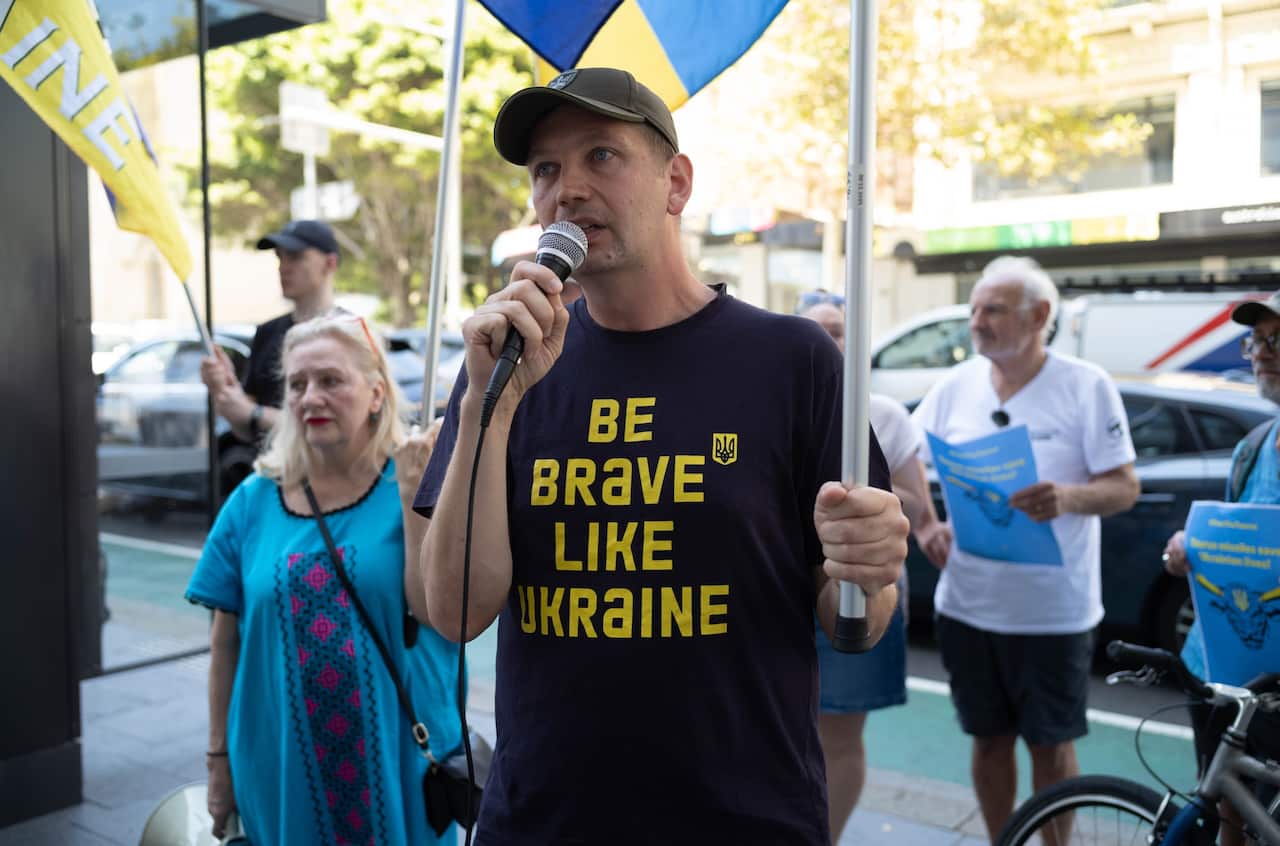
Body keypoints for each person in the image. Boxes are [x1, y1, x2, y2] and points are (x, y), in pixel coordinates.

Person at [413, 67, 909, 845]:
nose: (567, 188)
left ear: (675, 183)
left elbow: (856, 623)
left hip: (745, 822)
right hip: (544, 824)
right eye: (546, 169)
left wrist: (871, 571)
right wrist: (486, 407)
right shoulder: (505, 366)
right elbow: (456, 612)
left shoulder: (793, 360)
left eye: (602, 156)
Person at [185, 313, 462, 844]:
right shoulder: (252, 501)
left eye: (330, 380)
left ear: (376, 393)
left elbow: (440, 617)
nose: (311, 397)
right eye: (297, 384)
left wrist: (412, 499)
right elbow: (226, 643)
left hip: (400, 760)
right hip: (279, 763)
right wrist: (218, 760)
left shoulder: (421, 483)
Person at [912, 255, 1140, 841]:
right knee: (988, 741)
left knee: (1051, 747)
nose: (977, 321)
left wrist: (1066, 497)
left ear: (1039, 316)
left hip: (1052, 613)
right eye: (974, 308)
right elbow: (902, 455)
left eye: (993, 309)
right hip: (967, 605)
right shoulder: (953, 387)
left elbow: (1124, 488)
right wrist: (926, 526)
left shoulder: (1085, 385)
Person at [800, 298, 951, 842]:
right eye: (814, 332)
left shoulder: (884, 414)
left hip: (862, 590)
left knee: (839, 736)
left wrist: (870, 502)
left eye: (839, 331)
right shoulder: (777, 404)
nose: (827, 344)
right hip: (788, 593)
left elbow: (918, 504)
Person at [1161, 288, 1280, 846]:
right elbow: (1231, 549)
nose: (1262, 351)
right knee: (1225, 807)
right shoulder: (1253, 447)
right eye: (1256, 340)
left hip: (1275, 678)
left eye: (1278, 340)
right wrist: (1187, 550)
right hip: (1220, 671)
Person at [200, 219, 339, 444]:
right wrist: (225, 392)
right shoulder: (268, 332)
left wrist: (253, 412)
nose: (283, 267)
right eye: (279, 257)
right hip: (272, 474)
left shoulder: (352, 334)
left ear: (329, 263)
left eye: (295, 257)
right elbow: (246, 430)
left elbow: (349, 429)